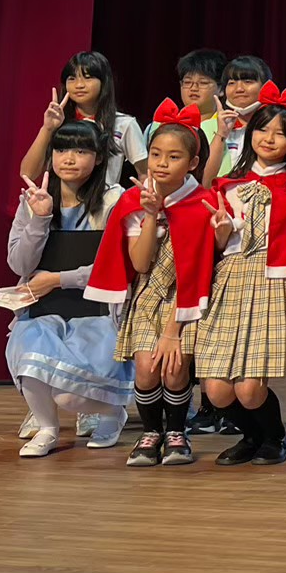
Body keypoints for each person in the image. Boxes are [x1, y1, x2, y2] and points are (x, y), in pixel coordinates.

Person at [85, 101, 228, 467]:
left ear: (193, 163)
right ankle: (151, 433)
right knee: (147, 368)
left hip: (188, 300)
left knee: (175, 368)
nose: (162, 163)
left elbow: (198, 271)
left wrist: (173, 331)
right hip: (149, 294)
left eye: (174, 156)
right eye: (155, 154)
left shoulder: (203, 203)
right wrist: (151, 215)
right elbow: (139, 263)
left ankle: (177, 432)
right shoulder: (133, 200)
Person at [195, 82, 286, 466]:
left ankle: (274, 438)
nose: (269, 138)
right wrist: (220, 230)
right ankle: (251, 437)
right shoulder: (231, 183)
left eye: (280, 133)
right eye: (263, 129)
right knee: (217, 391)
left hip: (273, 279)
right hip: (231, 277)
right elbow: (205, 201)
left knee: (249, 390)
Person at [6, 121, 130, 457]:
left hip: (98, 312)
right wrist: (39, 218)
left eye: (80, 150)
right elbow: (19, 264)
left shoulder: (114, 199)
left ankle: (113, 412)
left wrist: (57, 279)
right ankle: (47, 428)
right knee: (30, 361)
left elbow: (117, 265)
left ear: (99, 157)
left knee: (69, 396)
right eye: (61, 150)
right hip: (43, 310)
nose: (69, 159)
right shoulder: (36, 198)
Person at [20, 51, 147, 185]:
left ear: (104, 82)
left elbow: (145, 175)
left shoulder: (123, 124)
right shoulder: (58, 121)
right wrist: (47, 129)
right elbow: (28, 174)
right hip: (57, 197)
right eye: (72, 78)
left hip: (105, 198)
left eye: (87, 77)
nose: (79, 85)